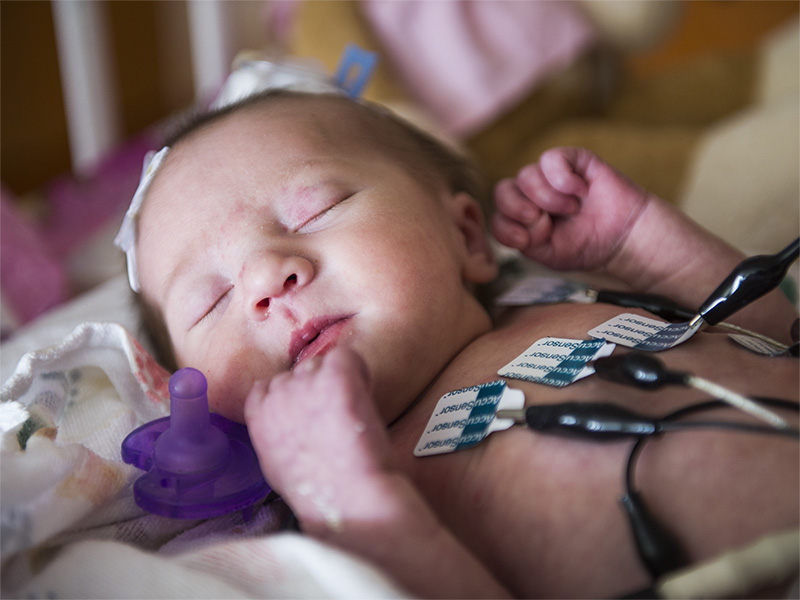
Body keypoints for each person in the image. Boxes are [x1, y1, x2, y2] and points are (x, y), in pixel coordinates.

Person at [128, 89, 798, 598]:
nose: (267, 279)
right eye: (211, 301)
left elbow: (767, 338)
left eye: (315, 210)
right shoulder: (348, 492)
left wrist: (647, 250)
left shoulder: (551, 298)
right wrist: (344, 499)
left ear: (469, 239)